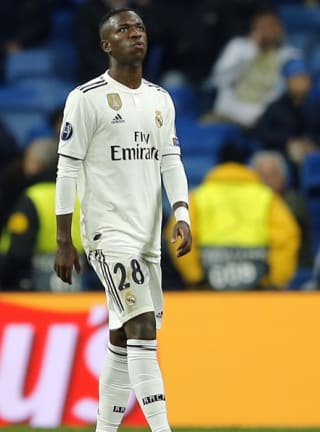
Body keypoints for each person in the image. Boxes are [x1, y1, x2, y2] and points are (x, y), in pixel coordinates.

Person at [54, 8, 191, 432]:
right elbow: (67, 169)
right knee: (143, 326)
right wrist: (64, 239)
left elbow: (171, 159)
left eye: (140, 28)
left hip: (147, 234)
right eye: (124, 29)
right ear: (106, 44)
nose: (135, 34)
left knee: (121, 336)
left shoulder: (160, 100)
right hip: (107, 231)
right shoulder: (86, 98)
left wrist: (181, 212)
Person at [171, 143, 300, 290]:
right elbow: (286, 238)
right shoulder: (267, 197)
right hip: (258, 284)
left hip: (209, 281)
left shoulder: (198, 196)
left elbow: (179, 236)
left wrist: (195, 277)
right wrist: (276, 281)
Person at [0, 138, 83, 291]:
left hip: (36, 289)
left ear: (35, 164)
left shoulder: (31, 198)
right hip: (80, 286)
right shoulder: (79, 196)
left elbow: (18, 251)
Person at [209, 8, 301, 128]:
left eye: (271, 26)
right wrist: (252, 50)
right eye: (262, 27)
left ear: (280, 28)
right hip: (226, 116)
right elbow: (219, 81)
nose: (267, 32)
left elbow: (290, 92)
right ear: (254, 29)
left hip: (262, 121)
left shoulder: (289, 55)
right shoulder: (238, 47)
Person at [253, 58, 320, 161]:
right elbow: (263, 132)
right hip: (280, 153)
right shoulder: (275, 107)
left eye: (304, 79)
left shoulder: (317, 108)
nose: (301, 84)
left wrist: (314, 145)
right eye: (296, 79)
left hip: (311, 152)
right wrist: (287, 141)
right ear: (287, 82)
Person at [250, 150, 312, 268]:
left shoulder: (294, 201)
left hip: (295, 270)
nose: (266, 181)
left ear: (283, 178)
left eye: (272, 175)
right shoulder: (249, 204)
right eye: (261, 175)